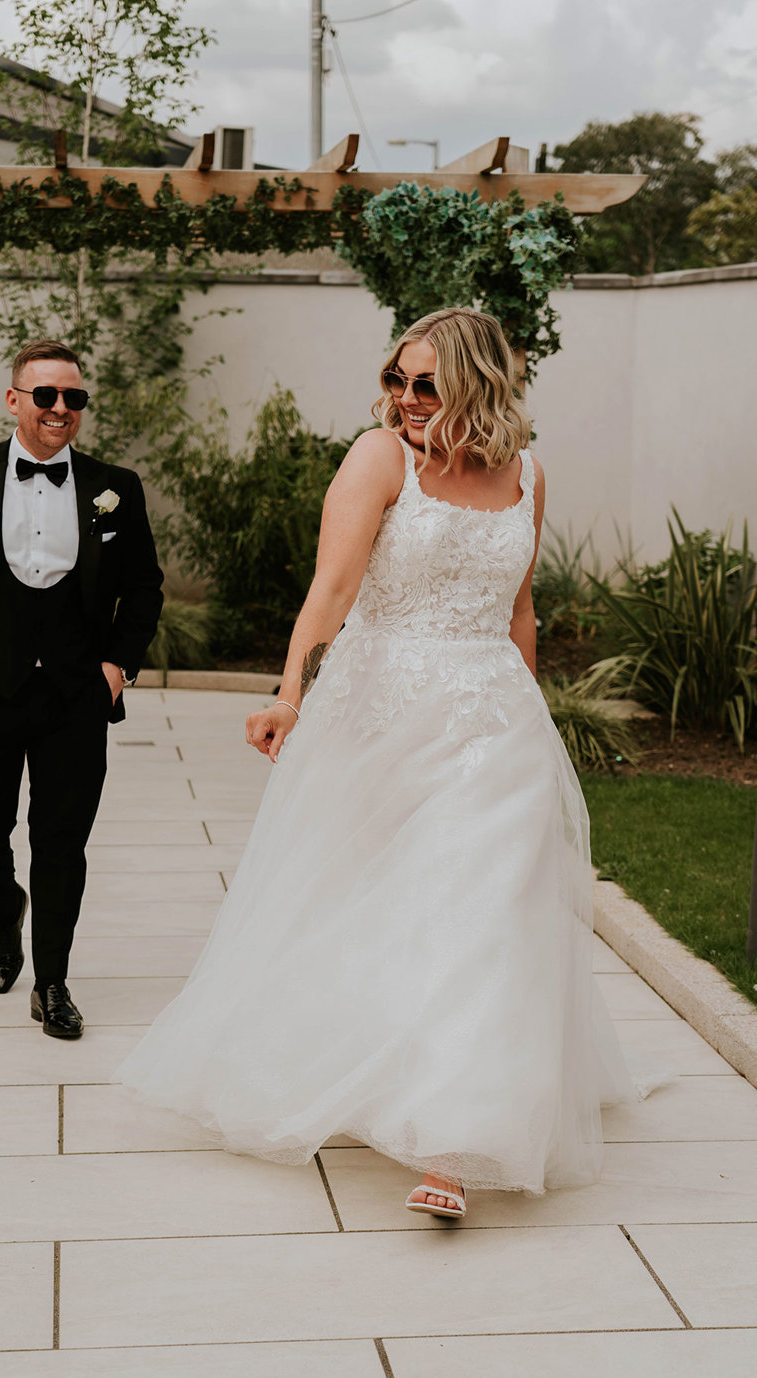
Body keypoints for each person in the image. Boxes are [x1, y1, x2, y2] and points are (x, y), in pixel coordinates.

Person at [116, 306, 635, 1215]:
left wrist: (530, 711)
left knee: (487, 912)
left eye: (425, 383)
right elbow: (334, 583)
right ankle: (356, 1064)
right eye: (395, 379)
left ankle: (452, 1144)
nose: (404, 398)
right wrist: (289, 691)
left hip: (492, 721)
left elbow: (519, 611)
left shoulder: (530, 474)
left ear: (476, 382)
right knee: (382, 902)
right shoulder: (379, 457)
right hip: (383, 706)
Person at [0, 340, 163, 1039]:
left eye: (73, 398)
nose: (60, 409)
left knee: (60, 841)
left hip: (77, 691)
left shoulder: (116, 485)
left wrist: (117, 668)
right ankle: (1, 913)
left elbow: (143, 588)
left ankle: (51, 982)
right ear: (14, 399)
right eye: (45, 395)